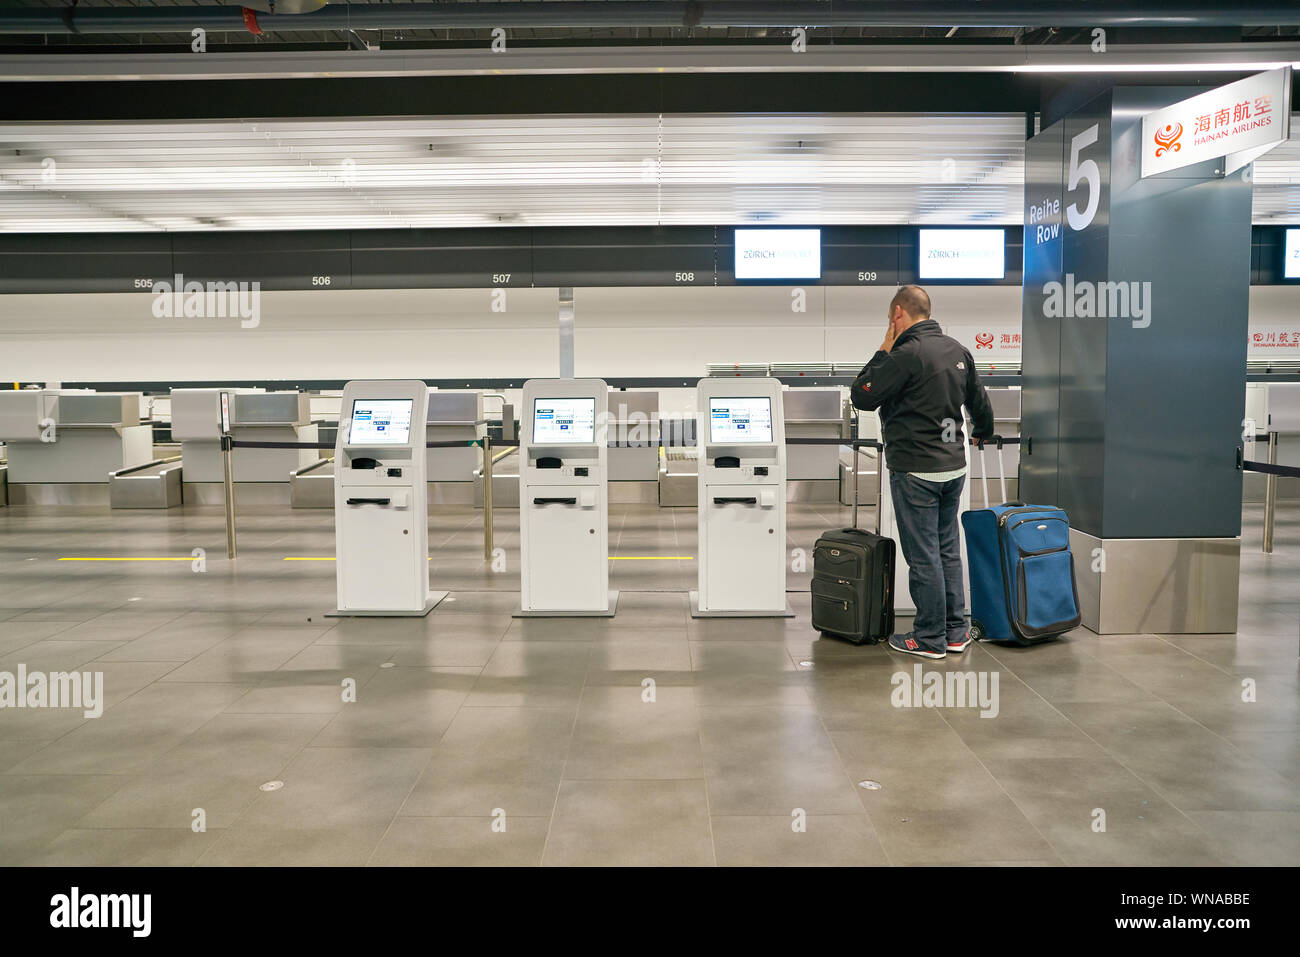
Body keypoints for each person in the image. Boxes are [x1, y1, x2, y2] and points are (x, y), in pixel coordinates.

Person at [850, 285, 995, 660]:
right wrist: (982, 432)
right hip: (952, 468)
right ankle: (955, 632)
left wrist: (884, 346)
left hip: (916, 470)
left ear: (899, 314)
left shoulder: (906, 353)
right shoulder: (957, 350)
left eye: (889, 320)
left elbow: (863, 395)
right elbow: (980, 402)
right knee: (948, 550)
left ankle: (928, 637)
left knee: (924, 554)